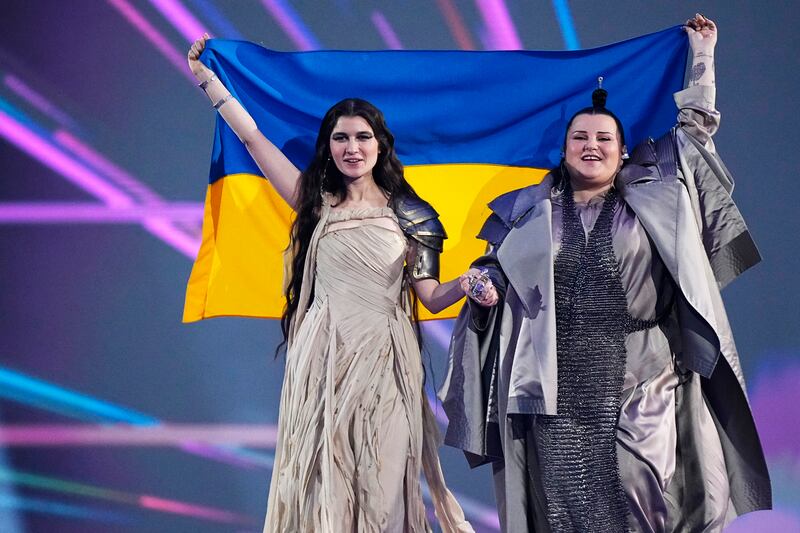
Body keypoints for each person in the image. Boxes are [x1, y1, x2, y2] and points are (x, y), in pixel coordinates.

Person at [443, 14, 771, 532]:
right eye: (579, 137)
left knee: (646, 485)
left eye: (603, 137)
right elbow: (496, 269)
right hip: (554, 380)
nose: (591, 145)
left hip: (646, 369)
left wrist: (701, 55)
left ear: (623, 152)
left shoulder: (659, 197)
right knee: (564, 506)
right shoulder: (528, 211)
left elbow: (694, 134)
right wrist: (485, 292)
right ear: (565, 148)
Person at [187, 36, 474, 533]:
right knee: (323, 484)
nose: (352, 147)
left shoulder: (412, 215)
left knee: (384, 483)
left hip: (385, 361)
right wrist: (210, 81)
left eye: (362, 137)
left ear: (380, 144)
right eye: (341, 138)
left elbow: (429, 296)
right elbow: (254, 140)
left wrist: (469, 281)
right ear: (330, 147)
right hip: (321, 359)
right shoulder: (315, 203)